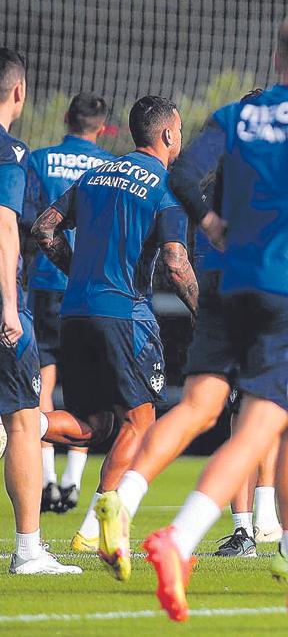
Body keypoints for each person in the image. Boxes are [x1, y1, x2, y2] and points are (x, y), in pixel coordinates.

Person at [110, 11, 288, 624]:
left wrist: (211, 223)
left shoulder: (237, 116)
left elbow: (182, 174)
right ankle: (178, 539)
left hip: (227, 282)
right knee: (266, 425)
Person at [33, 95, 198, 562]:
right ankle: (97, 525)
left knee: (94, 425)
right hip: (124, 315)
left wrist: (77, 272)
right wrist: (205, 318)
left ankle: (21, 427)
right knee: (140, 424)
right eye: (180, 131)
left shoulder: (94, 175)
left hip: (75, 311)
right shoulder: (166, 188)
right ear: (167, 135)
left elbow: (45, 229)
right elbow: (175, 261)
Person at [0, 46, 81, 575]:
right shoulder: (10, 153)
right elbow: (6, 226)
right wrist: (8, 305)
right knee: (25, 420)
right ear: (19, 91)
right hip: (9, 303)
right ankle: (29, 549)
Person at [23, 92, 115, 515]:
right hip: (89, 286)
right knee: (87, 385)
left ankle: (44, 480)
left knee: (42, 380)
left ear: (65, 118)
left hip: (44, 282)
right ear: (101, 126)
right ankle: (73, 484)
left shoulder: (39, 159)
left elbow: (28, 223)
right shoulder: (110, 168)